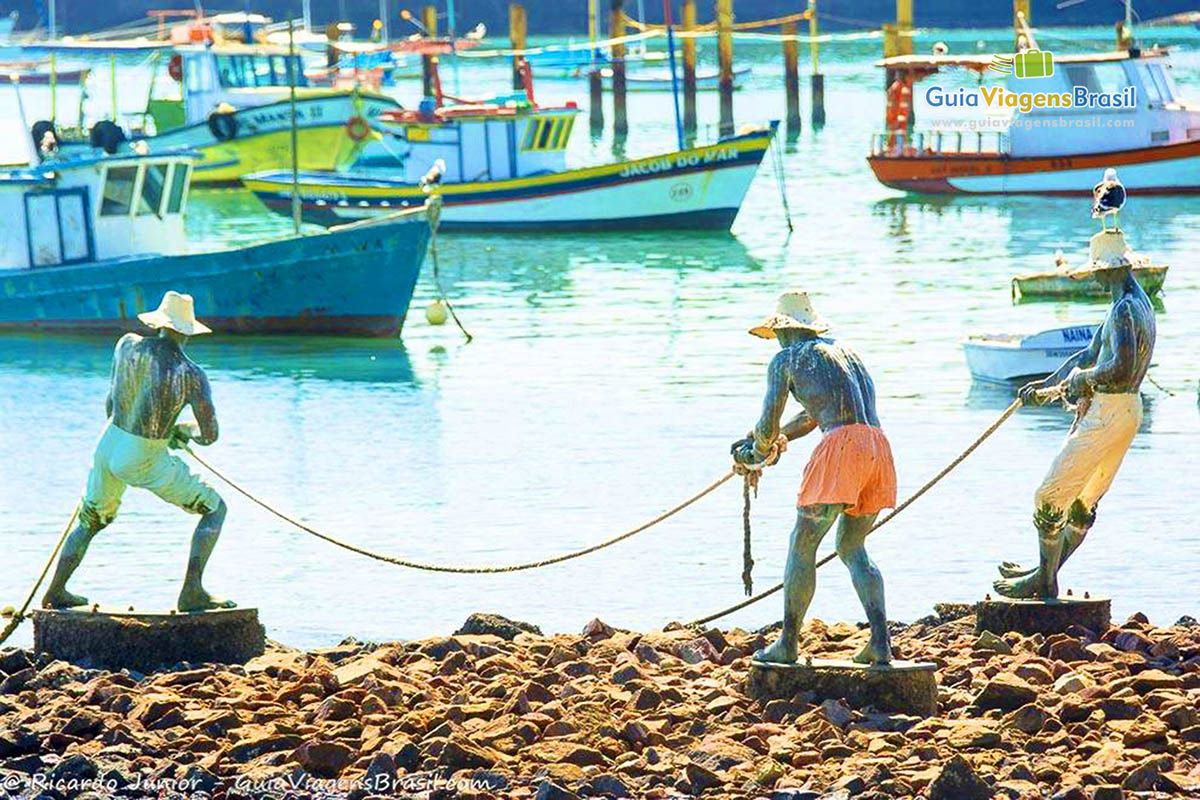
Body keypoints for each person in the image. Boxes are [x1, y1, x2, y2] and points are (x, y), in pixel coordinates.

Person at [42, 291, 234, 613]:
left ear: (159, 323)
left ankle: (56, 591)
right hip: (142, 454)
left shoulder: (126, 344)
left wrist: (157, 430)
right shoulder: (191, 374)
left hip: (109, 440)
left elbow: (110, 404)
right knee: (215, 510)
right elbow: (210, 435)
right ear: (187, 331)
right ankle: (192, 592)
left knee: (90, 521)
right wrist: (179, 432)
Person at [732, 291, 897, 665]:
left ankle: (787, 644)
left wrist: (754, 455)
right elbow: (812, 415)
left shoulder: (786, 359)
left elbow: (766, 425)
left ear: (782, 330)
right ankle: (880, 644)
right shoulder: (845, 354)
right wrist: (781, 441)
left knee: (801, 545)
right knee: (853, 548)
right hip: (877, 446)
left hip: (841, 447)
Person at [996, 231, 1154, 599]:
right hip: (1127, 411)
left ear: (1109, 269)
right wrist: (1045, 385)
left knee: (1049, 497)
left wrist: (1081, 380)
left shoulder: (1125, 309)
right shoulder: (1133, 300)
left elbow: (1119, 366)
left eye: (1097, 272)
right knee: (1083, 500)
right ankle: (1044, 572)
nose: (1094, 279)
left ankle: (1043, 581)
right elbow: (1088, 353)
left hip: (1110, 412)